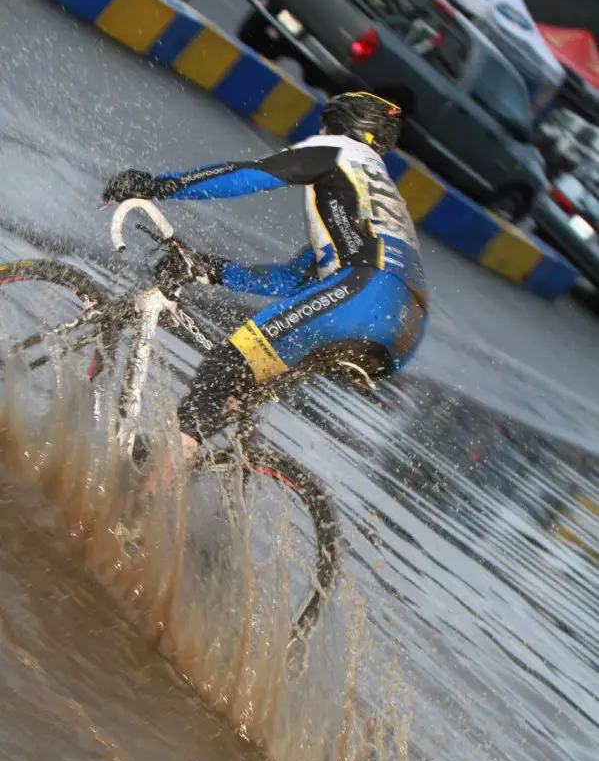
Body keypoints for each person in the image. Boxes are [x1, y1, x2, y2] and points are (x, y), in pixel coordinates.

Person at [103, 91, 428, 476]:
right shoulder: (370, 196)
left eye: (324, 123)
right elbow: (292, 279)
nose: (319, 131)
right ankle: (192, 469)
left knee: (223, 367)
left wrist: (160, 186)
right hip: (401, 330)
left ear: (344, 125)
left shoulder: (339, 150)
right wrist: (212, 269)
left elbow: (251, 175)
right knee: (233, 388)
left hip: (363, 295)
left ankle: (145, 500)